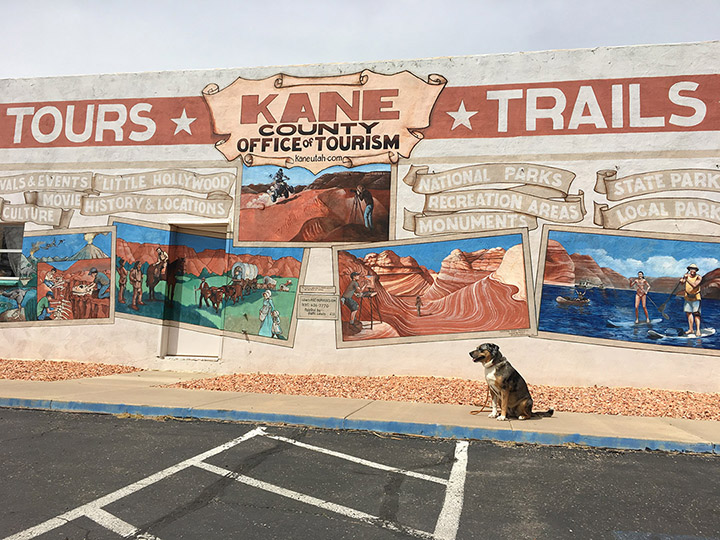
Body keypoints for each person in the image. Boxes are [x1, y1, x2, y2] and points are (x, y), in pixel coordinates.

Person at [680, 263, 702, 336]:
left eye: (694, 269)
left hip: (696, 297)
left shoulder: (699, 277)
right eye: (691, 269)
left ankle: (698, 330)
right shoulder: (687, 276)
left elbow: (694, 285)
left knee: (696, 314)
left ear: (696, 270)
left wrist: (686, 279)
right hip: (687, 297)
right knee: (689, 313)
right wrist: (682, 280)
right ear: (689, 270)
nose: (692, 270)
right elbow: (682, 283)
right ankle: (691, 329)